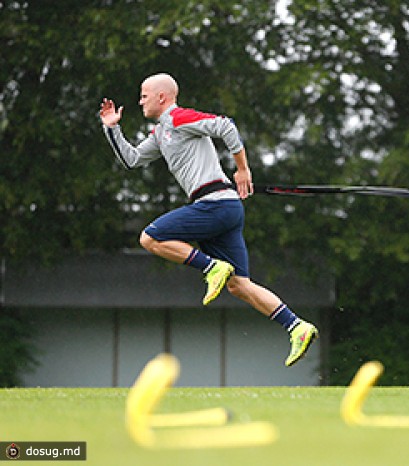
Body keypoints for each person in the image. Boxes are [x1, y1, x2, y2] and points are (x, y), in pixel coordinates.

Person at [98, 73, 318, 367]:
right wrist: (112, 128)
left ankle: (212, 267)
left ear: (162, 97)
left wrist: (242, 169)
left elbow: (224, 125)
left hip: (216, 206)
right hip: (223, 209)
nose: (140, 101)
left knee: (150, 238)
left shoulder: (178, 118)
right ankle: (297, 327)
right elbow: (132, 159)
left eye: (144, 95)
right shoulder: (161, 133)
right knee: (239, 285)